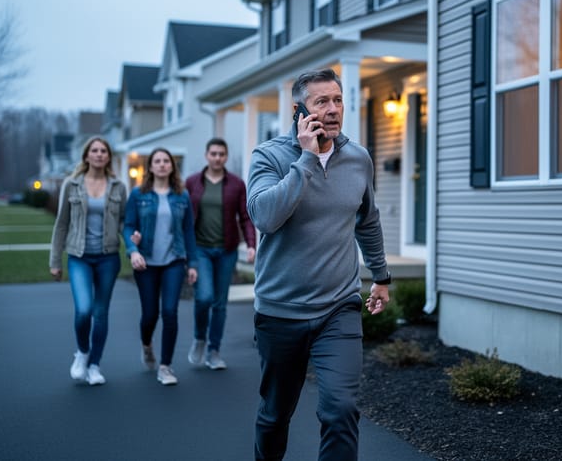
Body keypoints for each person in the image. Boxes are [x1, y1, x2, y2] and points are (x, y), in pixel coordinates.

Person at [247, 68, 392, 461]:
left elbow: (368, 219)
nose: (333, 109)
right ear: (299, 111)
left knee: (341, 409)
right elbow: (265, 217)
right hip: (281, 310)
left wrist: (380, 276)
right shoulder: (269, 157)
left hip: (338, 308)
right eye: (321, 102)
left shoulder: (358, 159)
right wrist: (307, 159)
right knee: (276, 414)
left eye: (338, 100)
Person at [49, 136, 128, 386]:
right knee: (84, 311)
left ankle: (94, 365)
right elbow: (61, 223)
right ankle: (82, 352)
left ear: (108, 156)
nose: (99, 154)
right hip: (79, 256)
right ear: (86, 156)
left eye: (104, 151)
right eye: (94, 150)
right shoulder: (71, 184)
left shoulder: (118, 186)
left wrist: (134, 243)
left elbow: (125, 222)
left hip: (108, 257)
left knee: (100, 312)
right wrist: (55, 260)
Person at [123, 147, 198, 386]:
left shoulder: (181, 196)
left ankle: (166, 366)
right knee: (149, 315)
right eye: (158, 161)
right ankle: (147, 345)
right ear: (151, 166)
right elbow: (127, 226)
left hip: (173, 260)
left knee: (170, 312)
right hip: (145, 261)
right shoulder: (138, 194)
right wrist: (132, 250)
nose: (163, 164)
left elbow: (188, 232)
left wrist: (192, 263)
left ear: (172, 166)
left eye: (167, 161)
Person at [184, 138, 256, 370]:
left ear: (225, 157)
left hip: (226, 250)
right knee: (204, 298)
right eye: (213, 153)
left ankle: (214, 350)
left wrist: (252, 244)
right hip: (200, 249)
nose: (217, 158)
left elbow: (245, 217)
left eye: (221, 154)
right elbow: (183, 217)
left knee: (220, 303)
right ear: (206, 155)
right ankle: (199, 338)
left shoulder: (236, 184)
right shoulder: (192, 183)